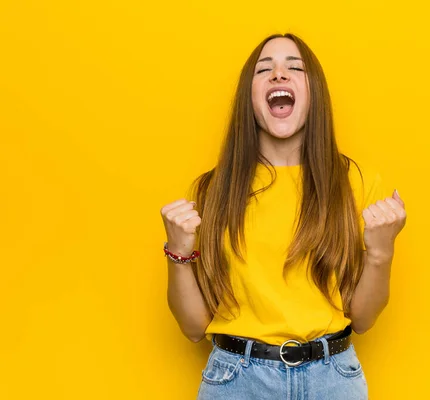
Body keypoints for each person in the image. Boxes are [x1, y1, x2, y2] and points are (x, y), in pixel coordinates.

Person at [160, 33, 407, 400]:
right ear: (250, 96)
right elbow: (194, 327)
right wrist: (178, 253)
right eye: (265, 69)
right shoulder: (213, 191)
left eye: (295, 68)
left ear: (315, 94)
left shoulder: (355, 183)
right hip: (236, 380)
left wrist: (381, 251)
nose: (279, 75)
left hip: (333, 379)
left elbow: (365, 319)